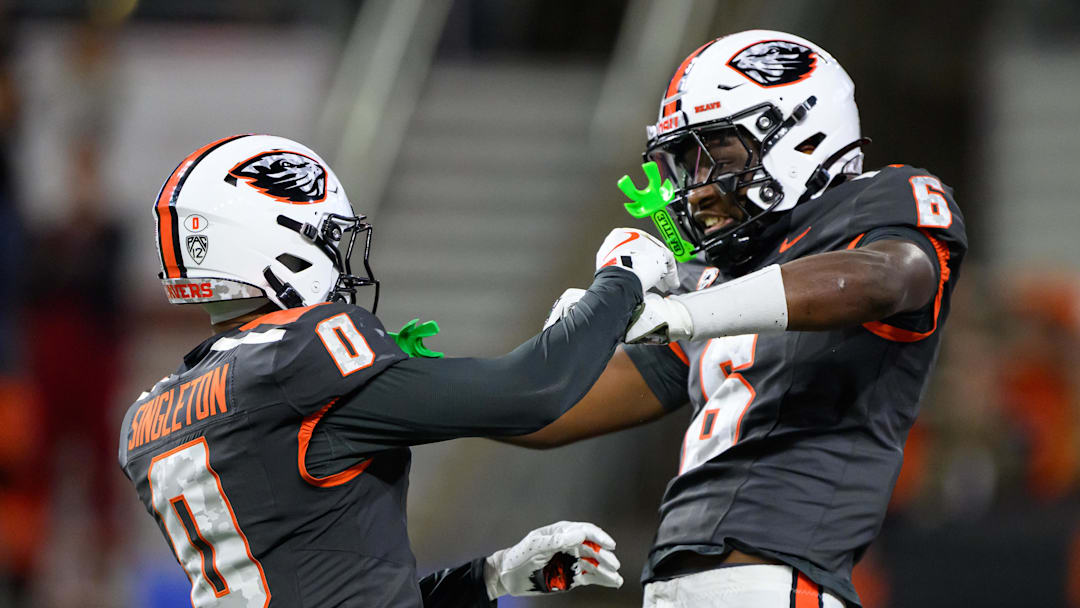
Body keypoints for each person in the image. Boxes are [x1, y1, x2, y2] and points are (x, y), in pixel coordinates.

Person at [117, 134, 681, 607]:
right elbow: (531, 392)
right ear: (279, 248)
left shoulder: (150, 417)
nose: (343, 262)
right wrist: (621, 279)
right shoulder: (298, 358)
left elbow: (326, 590)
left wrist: (494, 575)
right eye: (331, 241)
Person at [517, 30, 968, 608]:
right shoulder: (720, 279)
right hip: (678, 583)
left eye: (718, 158)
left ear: (804, 135)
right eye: (687, 165)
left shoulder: (884, 202)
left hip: (777, 578)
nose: (698, 190)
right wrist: (400, 393)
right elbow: (545, 412)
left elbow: (885, 279)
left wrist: (679, 311)